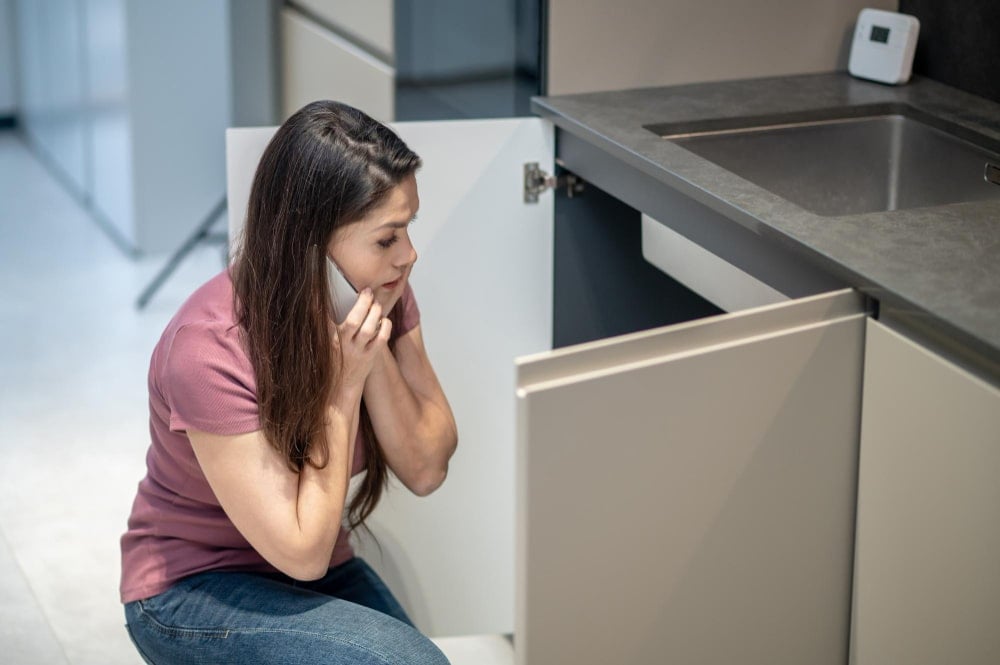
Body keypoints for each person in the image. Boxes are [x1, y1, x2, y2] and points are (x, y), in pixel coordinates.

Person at [119, 100, 458, 665]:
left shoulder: (374, 294)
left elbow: (426, 467)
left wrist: (368, 355)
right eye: (386, 239)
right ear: (311, 245)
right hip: (190, 587)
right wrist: (342, 389)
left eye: (407, 231)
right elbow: (300, 553)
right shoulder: (208, 349)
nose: (409, 255)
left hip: (312, 561)